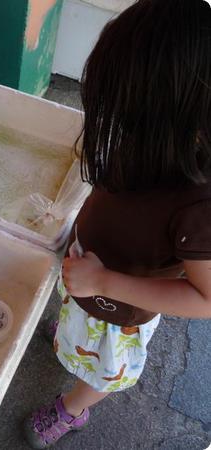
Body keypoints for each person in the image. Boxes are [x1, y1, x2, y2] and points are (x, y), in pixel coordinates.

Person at [23, 0, 211, 447]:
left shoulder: (200, 203)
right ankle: (71, 335)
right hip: (90, 279)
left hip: (118, 311)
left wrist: (104, 281)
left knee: (103, 365)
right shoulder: (153, 141)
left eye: (125, 106)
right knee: (77, 322)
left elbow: (206, 300)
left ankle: (74, 409)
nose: (116, 117)